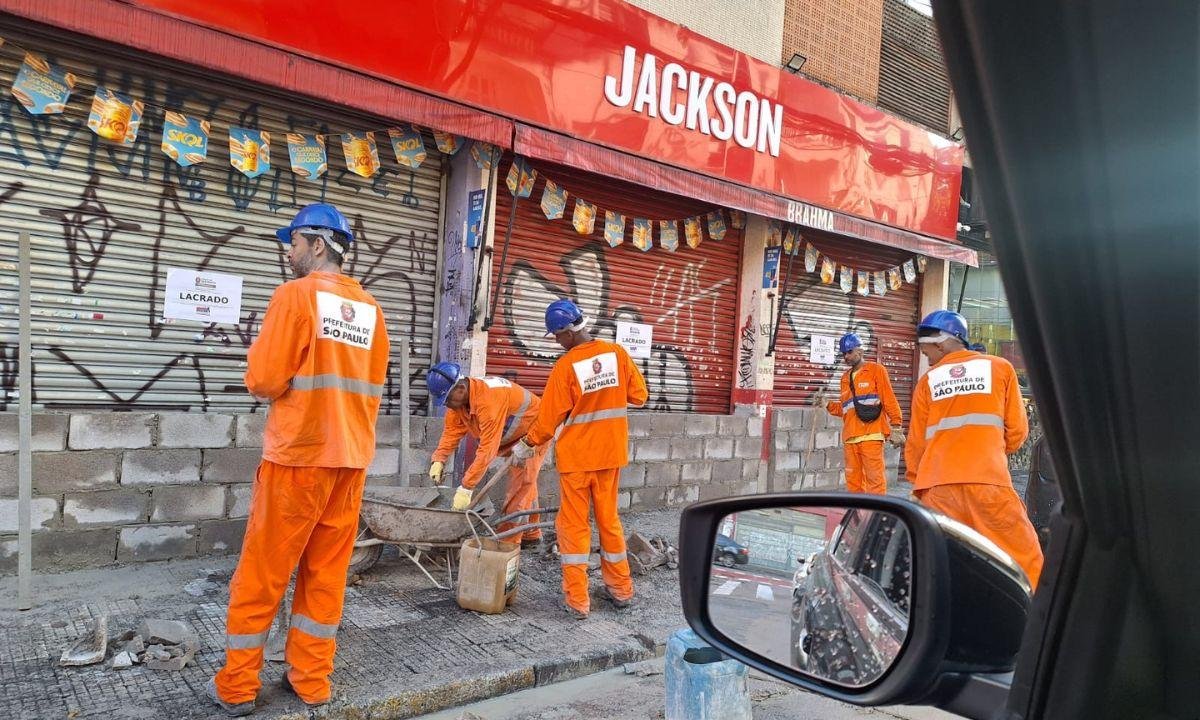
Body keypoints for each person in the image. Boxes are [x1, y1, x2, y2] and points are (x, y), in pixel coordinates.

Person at [207, 203, 390, 716]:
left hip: (299, 457)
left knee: (263, 573)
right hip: (350, 460)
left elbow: (264, 380)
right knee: (325, 574)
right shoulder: (372, 309)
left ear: (317, 243)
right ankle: (311, 679)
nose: (288, 252)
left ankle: (239, 686)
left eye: (292, 242)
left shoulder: (295, 296)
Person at [511, 299, 648, 619]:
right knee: (609, 522)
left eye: (556, 336)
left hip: (577, 460)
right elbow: (639, 395)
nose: (557, 342)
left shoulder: (565, 367)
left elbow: (546, 421)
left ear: (566, 333)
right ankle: (621, 590)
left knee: (573, 527)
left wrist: (526, 445)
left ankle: (577, 600)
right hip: (610, 455)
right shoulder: (617, 354)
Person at [905, 310, 1044, 588]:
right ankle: (1041, 625)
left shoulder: (928, 382)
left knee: (947, 566)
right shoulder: (1000, 368)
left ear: (942, 343)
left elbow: (916, 445)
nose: (926, 358)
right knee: (1025, 562)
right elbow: (1017, 432)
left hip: (937, 488)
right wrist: (990, 450)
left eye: (926, 350)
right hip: (988, 482)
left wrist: (917, 484)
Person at [425, 362, 548, 545]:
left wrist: (467, 487)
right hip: (510, 436)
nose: (447, 405)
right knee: (527, 485)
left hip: (533, 433)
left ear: (460, 388)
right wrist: (439, 459)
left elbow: (487, 450)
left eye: (448, 399)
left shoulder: (488, 400)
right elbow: (451, 431)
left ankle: (507, 543)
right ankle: (531, 534)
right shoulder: (458, 403)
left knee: (520, 488)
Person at [825, 333, 905, 494]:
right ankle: (857, 515)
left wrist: (896, 426)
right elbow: (846, 409)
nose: (846, 356)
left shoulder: (876, 370)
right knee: (853, 483)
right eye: (843, 353)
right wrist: (827, 405)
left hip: (871, 436)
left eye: (849, 352)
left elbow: (888, 398)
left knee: (875, 481)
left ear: (860, 351)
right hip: (850, 437)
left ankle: (876, 515)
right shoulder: (845, 378)